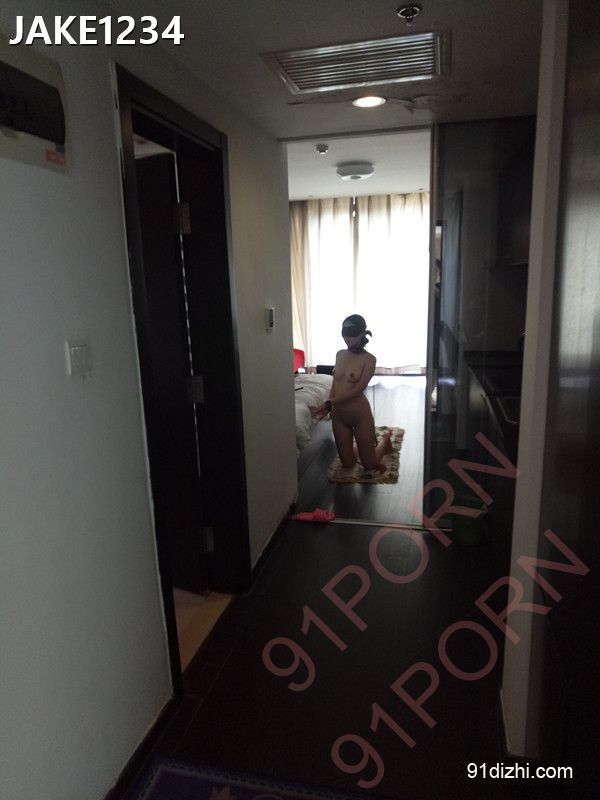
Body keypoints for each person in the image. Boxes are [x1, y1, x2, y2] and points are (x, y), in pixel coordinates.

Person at [310, 314, 393, 474]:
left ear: (362, 334)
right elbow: (335, 382)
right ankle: (362, 446)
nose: (347, 340)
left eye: (352, 336)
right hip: (339, 416)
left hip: (360, 415)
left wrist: (330, 403)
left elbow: (357, 390)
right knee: (348, 464)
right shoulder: (340, 354)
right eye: (345, 336)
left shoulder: (369, 359)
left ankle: (385, 441)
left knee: (370, 465)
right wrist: (329, 406)